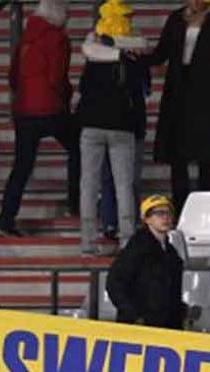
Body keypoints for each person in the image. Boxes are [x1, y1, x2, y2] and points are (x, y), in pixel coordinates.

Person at [145, 0, 210, 208]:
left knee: (204, 157)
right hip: (178, 92)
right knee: (177, 157)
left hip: (205, 95)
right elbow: (161, 53)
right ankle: (180, 207)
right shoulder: (176, 19)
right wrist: (139, 58)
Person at [76, 1, 150, 253]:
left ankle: (87, 242)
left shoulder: (93, 50)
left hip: (91, 126)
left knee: (89, 185)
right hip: (122, 126)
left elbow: (83, 87)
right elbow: (141, 87)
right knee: (123, 185)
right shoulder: (133, 53)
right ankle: (127, 239)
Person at [0, 0, 77, 237]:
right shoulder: (58, 38)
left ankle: (6, 217)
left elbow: (12, 76)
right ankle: (75, 203)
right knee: (79, 147)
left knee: (21, 167)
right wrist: (69, 95)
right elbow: (56, 78)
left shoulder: (26, 37)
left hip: (24, 112)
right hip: (51, 109)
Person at [105, 195, 186, 327]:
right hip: (142, 326)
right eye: (159, 213)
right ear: (147, 219)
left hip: (166, 325)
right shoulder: (136, 249)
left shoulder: (172, 253)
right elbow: (115, 284)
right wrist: (134, 315)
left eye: (168, 213)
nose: (165, 217)